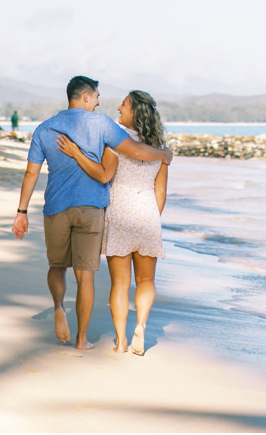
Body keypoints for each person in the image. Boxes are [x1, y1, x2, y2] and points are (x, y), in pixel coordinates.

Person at [11, 76, 172, 350]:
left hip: (82, 209)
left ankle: (75, 316)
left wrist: (21, 211)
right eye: (97, 96)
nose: (104, 103)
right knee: (108, 277)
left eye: (123, 104)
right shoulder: (114, 130)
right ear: (86, 96)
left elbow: (37, 173)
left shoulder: (48, 129)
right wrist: (163, 156)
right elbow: (149, 174)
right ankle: (100, 335)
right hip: (118, 212)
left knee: (69, 270)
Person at [57, 90, 168, 356]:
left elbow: (104, 176)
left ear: (135, 112)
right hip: (147, 213)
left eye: (125, 105)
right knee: (146, 279)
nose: (119, 107)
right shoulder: (161, 149)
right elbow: (160, 192)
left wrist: (76, 154)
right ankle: (140, 325)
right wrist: (152, 217)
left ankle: (120, 341)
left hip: (118, 213)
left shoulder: (116, 143)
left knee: (120, 283)